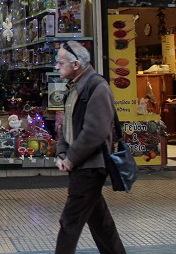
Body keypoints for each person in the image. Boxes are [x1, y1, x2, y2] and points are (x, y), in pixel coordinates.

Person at [54, 41, 126, 254]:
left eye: (60, 62)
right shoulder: (75, 86)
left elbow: (95, 132)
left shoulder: (97, 87)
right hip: (82, 165)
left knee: (70, 221)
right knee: (100, 220)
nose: (56, 67)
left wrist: (71, 158)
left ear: (76, 64)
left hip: (91, 167)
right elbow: (66, 125)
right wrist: (61, 151)